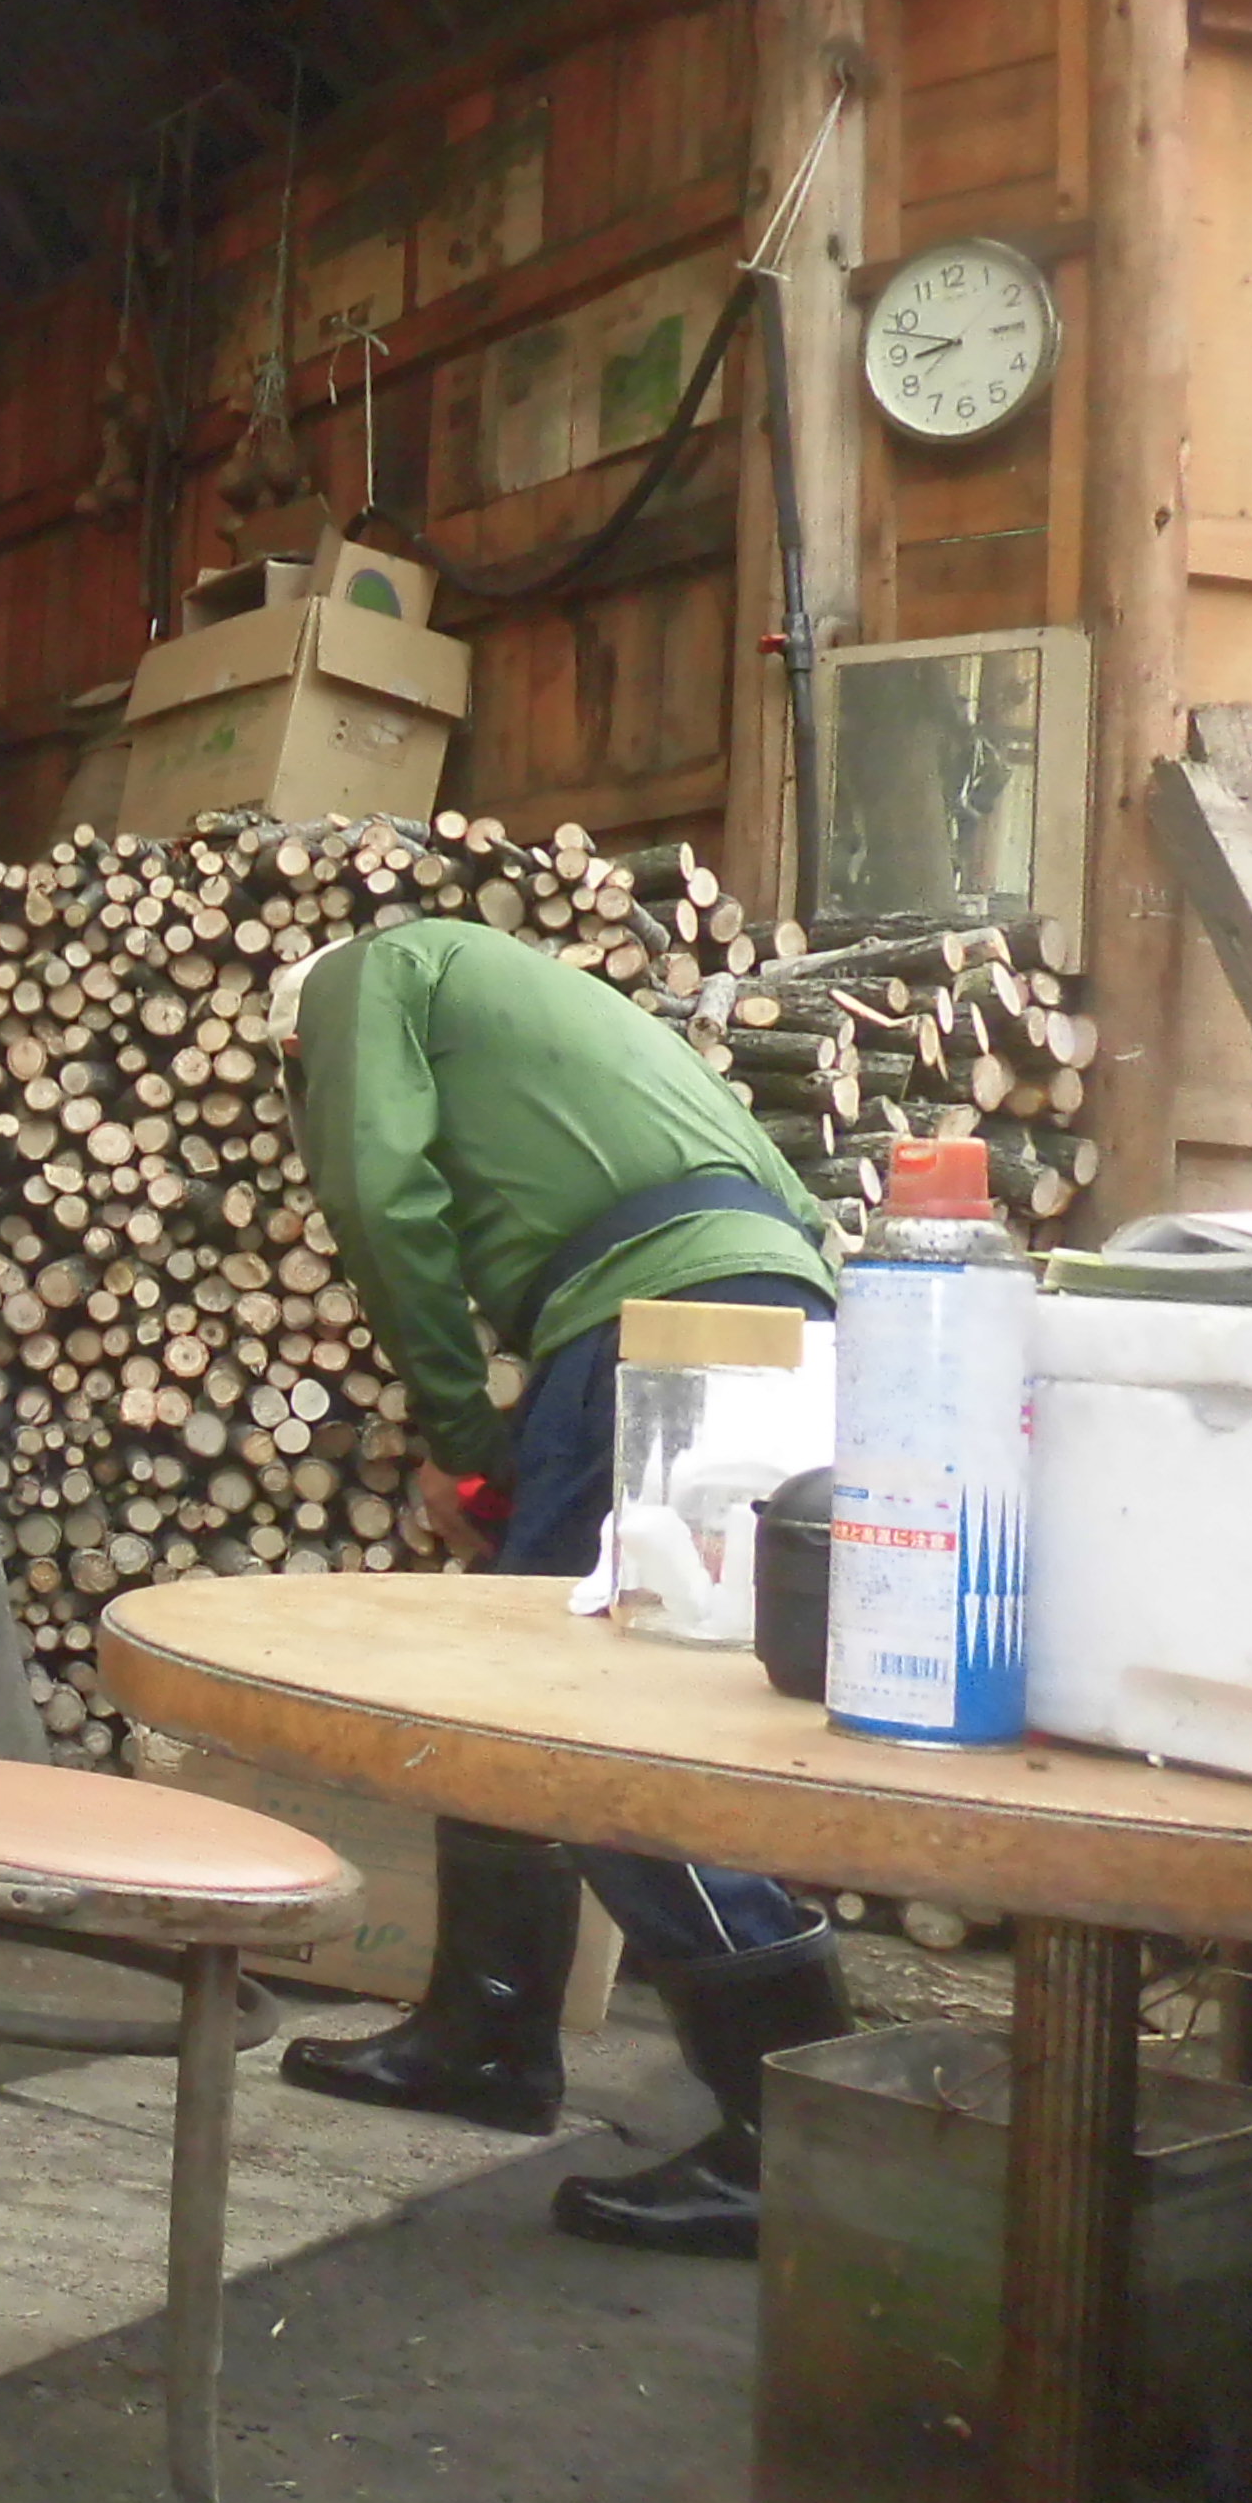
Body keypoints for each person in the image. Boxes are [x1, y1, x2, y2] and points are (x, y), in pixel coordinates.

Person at [269, 915, 853, 2257]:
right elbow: (792, 1202)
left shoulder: (362, 978)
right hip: (759, 1303)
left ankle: (796, 2134)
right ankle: (487, 2034)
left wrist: (465, 1433)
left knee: (594, 1719)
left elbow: (377, 1194)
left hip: (652, 1324)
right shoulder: (562, 1017)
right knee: (534, 1684)